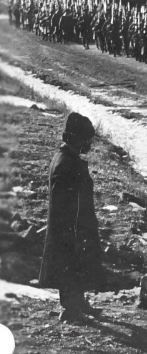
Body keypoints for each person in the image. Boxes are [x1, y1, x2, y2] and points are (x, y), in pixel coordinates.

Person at [39, 112, 102, 323]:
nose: (89, 145)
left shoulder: (69, 159)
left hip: (75, 225)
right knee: (69, 264)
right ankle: (70, 309)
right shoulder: (65, 164)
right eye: (87, 140)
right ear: (76, 138)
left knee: (77, 265)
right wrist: (75, 230)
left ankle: (78, 301)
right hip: (69, 228)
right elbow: (64, 205)